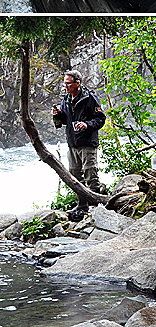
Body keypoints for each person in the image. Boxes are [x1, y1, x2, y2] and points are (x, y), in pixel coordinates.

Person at [52, 69, 106, 221]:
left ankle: (96, 206)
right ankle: (82, 205)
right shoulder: (67, 99)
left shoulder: (90, 98)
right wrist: (58, 115)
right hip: (72, 143)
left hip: (88, 143)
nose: (66, 86)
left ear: (78, 83)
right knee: (75, 175)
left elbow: (101, 119)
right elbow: (64, 121)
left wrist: (87, 125)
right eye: (65, 84)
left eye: (68, 83)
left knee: (91, 174)